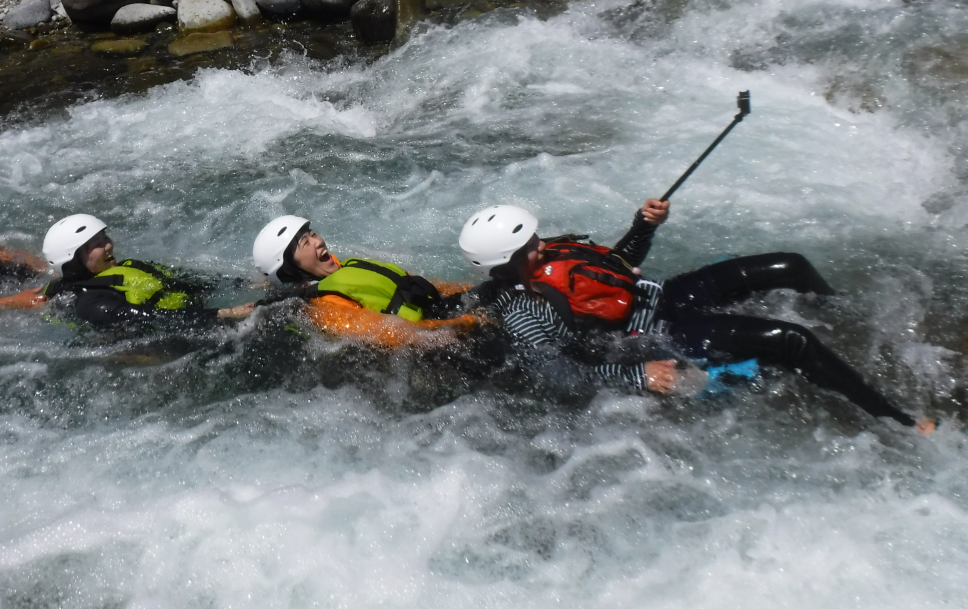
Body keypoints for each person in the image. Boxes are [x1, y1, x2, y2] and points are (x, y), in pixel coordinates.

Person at [458, 200, 934, 431]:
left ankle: (853, 327)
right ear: (507, 263)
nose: (541, 244)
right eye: (529, 246)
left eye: (535, 237)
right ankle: (902, 422)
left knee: (791, 264)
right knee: (791, 341)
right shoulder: (524, 310)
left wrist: (643, 226)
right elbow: (557, 372)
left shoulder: (545, 252)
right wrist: (636, 376)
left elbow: (616, 266)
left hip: (663, 295)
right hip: (653, 332)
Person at [252, 215, 479, 346]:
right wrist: (461, 326)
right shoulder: (325, 306)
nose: (318, 242)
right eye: (306, 243)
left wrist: (471, 294)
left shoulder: (350, 265)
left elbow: (412, 284)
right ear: (292, 270)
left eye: (313, 234)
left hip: (441, 316)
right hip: (435, 342)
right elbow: (391, 335)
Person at [40, 214, 254, 330]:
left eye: (105, 239)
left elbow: (184, 280)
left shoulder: (129, 267)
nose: (108, 246)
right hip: (157, 337)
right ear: (73, 261)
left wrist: (243, 283)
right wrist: (221, 314)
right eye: (97, 245)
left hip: (192, 317)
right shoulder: (90, 302)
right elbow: (152, 318)